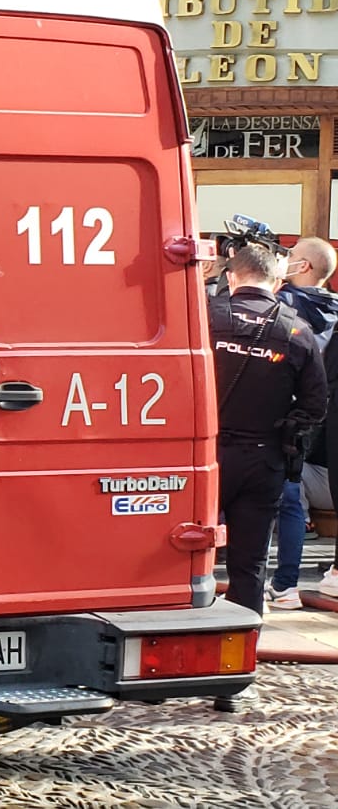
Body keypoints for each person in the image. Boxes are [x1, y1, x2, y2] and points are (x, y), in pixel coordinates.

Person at [209, 244, 327, 711]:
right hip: (263, 459)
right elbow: (316, 405)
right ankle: (232, 681)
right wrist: (285, 432)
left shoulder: (204, 316)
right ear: (276, 282)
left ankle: (163, 663)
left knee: (180, 555)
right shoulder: (297, 331)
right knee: (249, 566)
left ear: (231, 276)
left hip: (203, 454)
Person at [268, 237, 338, 609]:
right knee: (291, 493)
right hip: (310, 420)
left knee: (280, 495)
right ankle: (287, 583)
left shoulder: (285, 306)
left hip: (279, 415)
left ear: (304, 267)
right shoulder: (334, 310)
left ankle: (279, 581)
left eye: (291, 257)